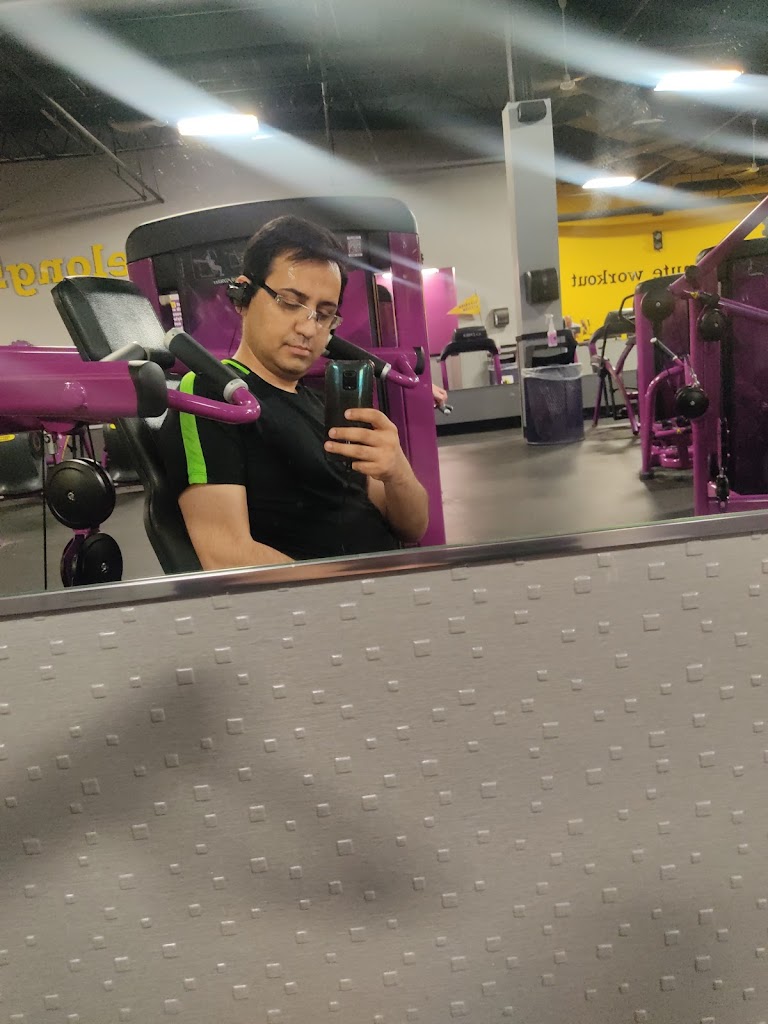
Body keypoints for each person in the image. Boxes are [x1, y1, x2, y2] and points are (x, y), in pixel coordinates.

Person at [160, 215, 429, 570]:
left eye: (324, 314)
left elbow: (412, 527)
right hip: (330, 598)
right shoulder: (212, 396)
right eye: (289, 302)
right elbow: (226, 554)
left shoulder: (326, 406)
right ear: (243, 294)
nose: (308, 328)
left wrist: (397, 472)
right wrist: (351, 590)